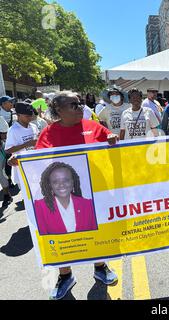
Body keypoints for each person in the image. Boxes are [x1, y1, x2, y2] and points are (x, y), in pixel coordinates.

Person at [8, 91, 119, 300]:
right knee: (62, 233)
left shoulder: (92, 126)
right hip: (61, 194)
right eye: (73, 105)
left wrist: (112, 139)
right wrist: (21, 161)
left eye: (80, 104)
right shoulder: (48, 133)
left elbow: (111, 141)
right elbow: (38, 161)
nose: (80, 108)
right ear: (58, 110)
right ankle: (65, 275)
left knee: (97, 228)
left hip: (94, 191)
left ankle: (100, 267)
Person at [34, 162, 97, 235]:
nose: (61, 185)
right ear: (50, 184)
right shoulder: (40, 206)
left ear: (73, 181)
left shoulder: (88, 204)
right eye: (55, 181)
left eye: (66, 180)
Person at [5, 102, 39, 186]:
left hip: (35, 166)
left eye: (31, 115)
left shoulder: (33, 126)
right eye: (27, 116)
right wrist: (27, 144)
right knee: (28, 195)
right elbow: (8, 150)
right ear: (18, 115)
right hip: (22, 168)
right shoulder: (13, 130)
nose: (30, 117)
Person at [0, 116, 12, 207]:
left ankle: (7, 195)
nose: (5, 135)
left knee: (2, 176)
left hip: (2, 157)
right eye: (3, 133)